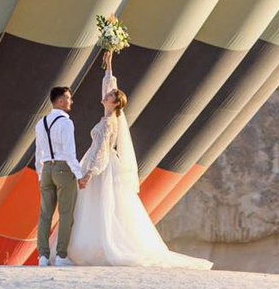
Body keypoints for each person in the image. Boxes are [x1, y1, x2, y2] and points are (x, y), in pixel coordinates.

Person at [66, 56, 211, 270]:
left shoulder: (108, 123)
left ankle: (100, 247)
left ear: (114, 103)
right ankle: (95, 246)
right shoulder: (108, 116)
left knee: (101, 208)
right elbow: (110, 87)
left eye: (109, 96)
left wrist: (89, 173)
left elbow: (101, 150)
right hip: (103, 166)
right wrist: (109, 64)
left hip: (102, 168)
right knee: (103, 208)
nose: (105, 95)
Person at [34, 84, 83, 267]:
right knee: (66, 213)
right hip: (63, 169)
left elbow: (38, 153)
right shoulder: (66, 123)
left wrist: (41, 174)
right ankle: (61, 256)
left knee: (44, 214)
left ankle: (43, 256)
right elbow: (70, 153)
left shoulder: (41, 123)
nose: (71, 101)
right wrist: (79, 175)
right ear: (61, 101)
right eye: (69, 98)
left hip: (46, 169)